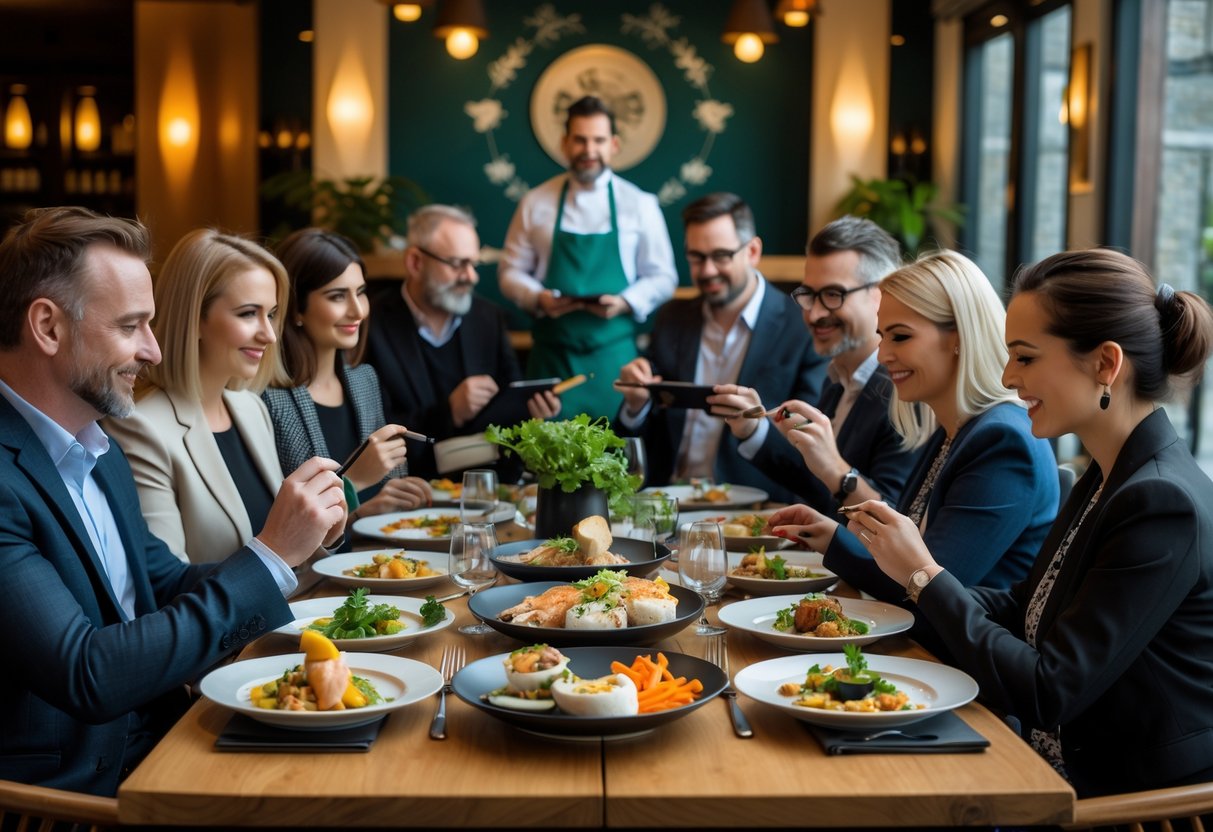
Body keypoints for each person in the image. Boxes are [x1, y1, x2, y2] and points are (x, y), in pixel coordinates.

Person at [0, 207, 344, 795]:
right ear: (48, 328)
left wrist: (288, 559)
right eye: (131, 326)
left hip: (169, 739)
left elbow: (163, 582)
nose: (154, 351)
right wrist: (266, 554)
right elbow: (90, 673)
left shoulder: (98, 447)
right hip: (74, 797)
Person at [844, 249, 1213, 797]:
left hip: (1121, 803)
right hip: (1049, 767)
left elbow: (1048, 691)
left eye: (1025, 357)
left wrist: (924, 576)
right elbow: (1025, 606)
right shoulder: (1109, 475)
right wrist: (905, 582)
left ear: (1106, 364)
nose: (1007, 376)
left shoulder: (1161, 501)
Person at [766, 251, 1058, 610]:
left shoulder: (1002, 440)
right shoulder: (956, 430)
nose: (883, 353)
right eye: (882, 336)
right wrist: (829, 536)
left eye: (900, 337)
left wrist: (835, 543)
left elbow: (926, 587)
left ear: (959, 337)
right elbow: (909, 566)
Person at [614, 192, 826, 501]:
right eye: (697, 257)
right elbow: (646, 436)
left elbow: (810, 448)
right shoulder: (673, 318)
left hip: (757, 506)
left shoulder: (802, 326)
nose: (708, 270)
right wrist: (636, 405)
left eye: (721, 256)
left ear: (752, 251)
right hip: (666, 501)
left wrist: (754, 431)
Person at [104, 229, 297, 564]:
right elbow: (168, 585)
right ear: (193, 319)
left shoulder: (251, 409)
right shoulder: (141, 427)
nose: (268, 334)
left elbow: (290, 558)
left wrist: (328, 531)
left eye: (272, 314)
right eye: (248, 313)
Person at [717, 216, 920, 511]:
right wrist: (753, 430)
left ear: (881, 294)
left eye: (833, 295)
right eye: (809, 295)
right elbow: (820, 486)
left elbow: (896, 518)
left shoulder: (903, 390)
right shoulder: (837, 377)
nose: (813, 315)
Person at [499, 95, 678, 420]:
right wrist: (538, 298)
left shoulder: (640, 204)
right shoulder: (535, 202)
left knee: (613, 459)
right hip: (550, 363)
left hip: (614, 364)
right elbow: (509, 272)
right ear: (565, 143)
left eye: (598, 140)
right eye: (580, 140)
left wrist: (624, 302)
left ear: (614, 145)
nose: (589, 150)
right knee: (545, 461)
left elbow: (664, 277)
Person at [364, 204, 560, 480]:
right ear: (415, 262)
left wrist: (532, 411)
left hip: (489, 487)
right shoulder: (371, 327)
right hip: (410, 488)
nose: (472, 276)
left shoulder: (487, 318)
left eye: (473, 263)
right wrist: (449, 411)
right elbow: (372, 431)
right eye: (458, 264)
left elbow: (510, 395)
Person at [263, 228, 431, 519]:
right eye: (338, 296)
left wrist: (400, 495)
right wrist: (357, 504)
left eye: (361, 293)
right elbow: (276, 525)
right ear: (295, 309)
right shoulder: (269, 400)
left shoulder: (364, 380)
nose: (358, 311)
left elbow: (390, 485)